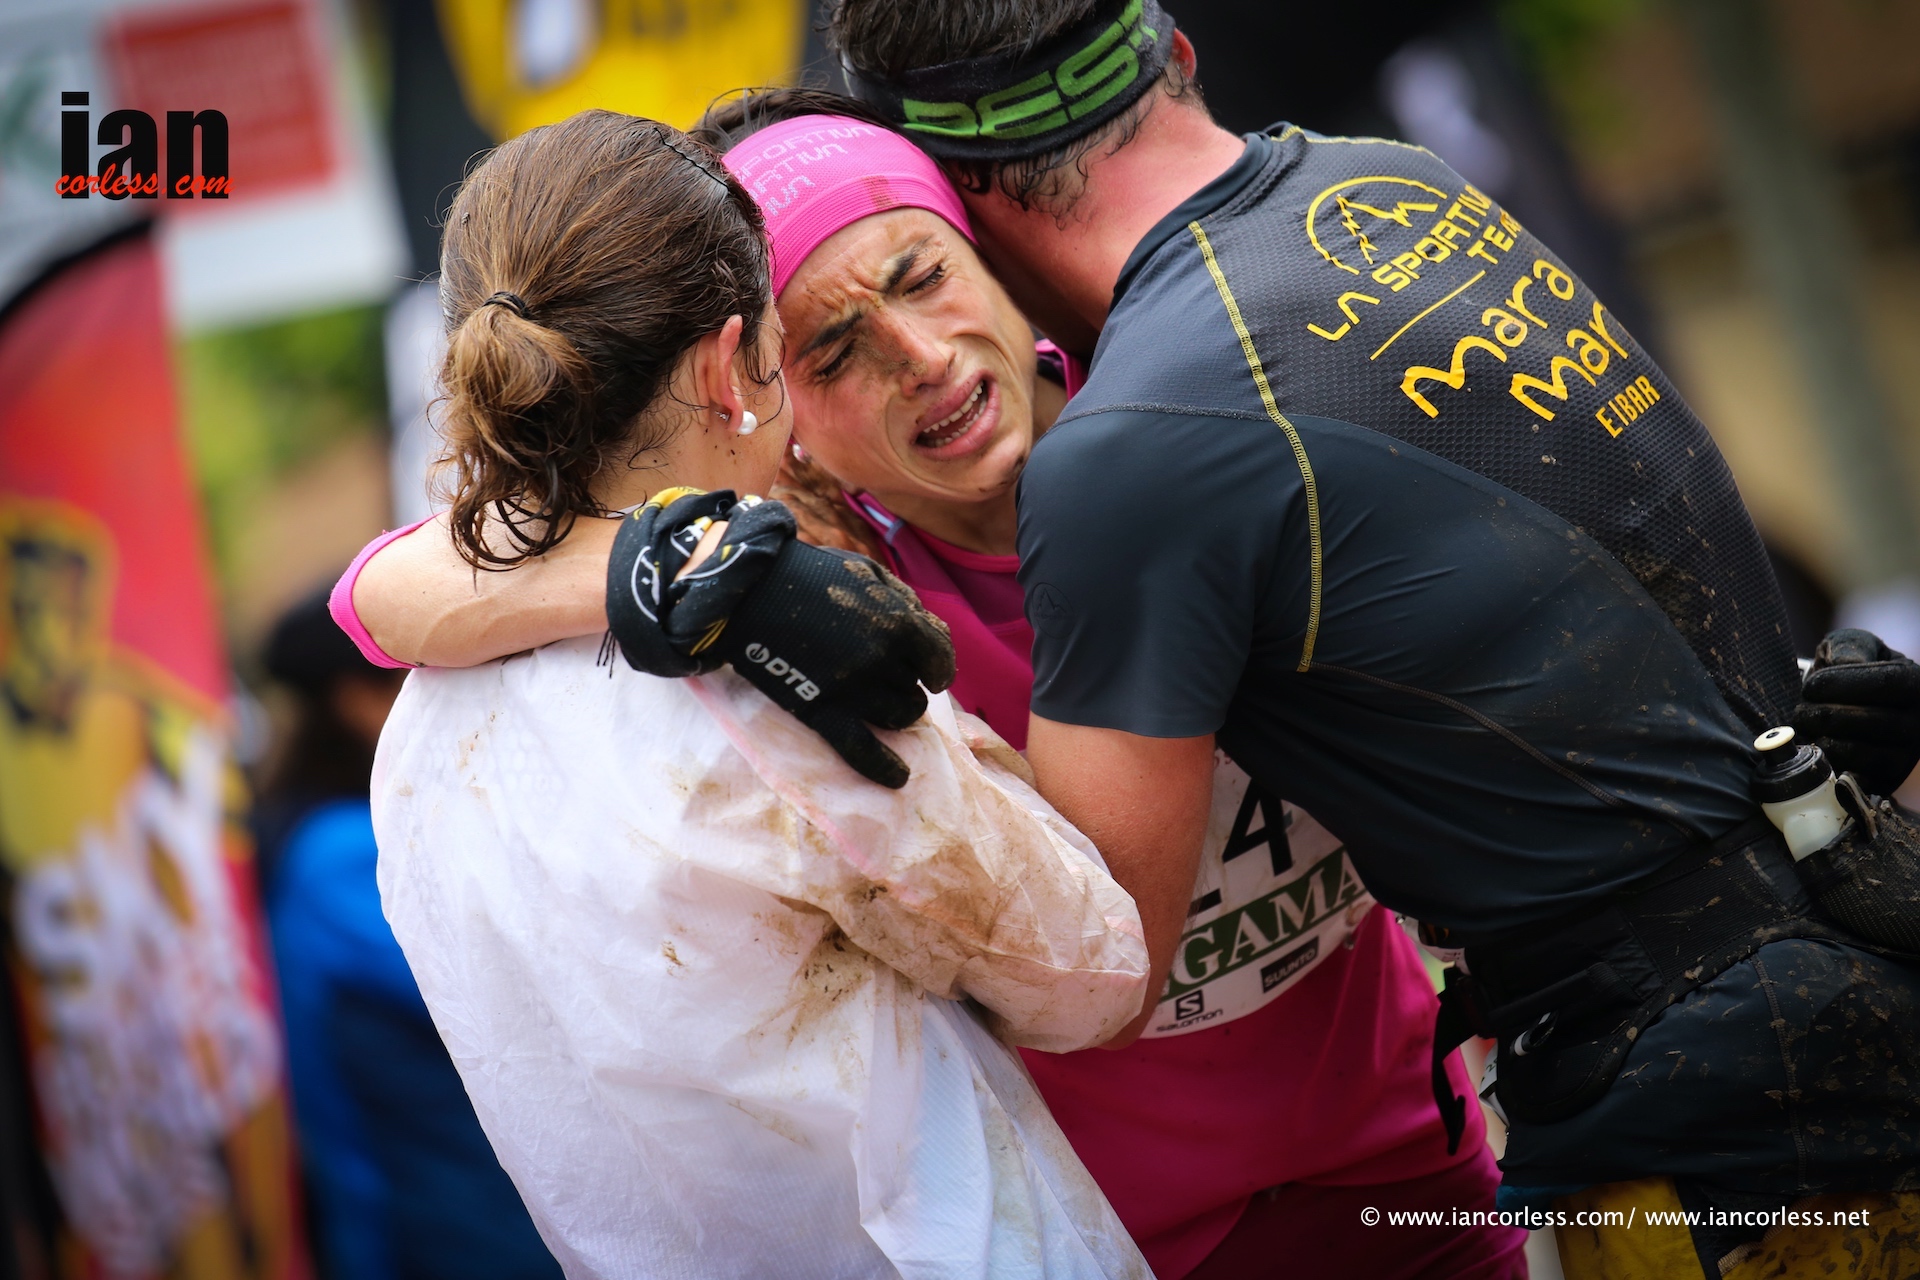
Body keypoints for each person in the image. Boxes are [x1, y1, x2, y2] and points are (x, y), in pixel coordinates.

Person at [335, 90, 1527, 1279]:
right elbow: (377, 591)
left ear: (992, 257)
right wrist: (655, 569)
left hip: (1412, 1173)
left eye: (921, 275)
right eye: (835, 350)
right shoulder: (828, 611)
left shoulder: (1205, 428)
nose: (921, 357)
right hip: (1154, 1241)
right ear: (762, 392)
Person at [360, 108, 1156, 1280]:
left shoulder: (415, 738)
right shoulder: (782, 666)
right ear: (731, 366)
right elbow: (1091, 972)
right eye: (801, 349)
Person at [257, 587, 561, 1280]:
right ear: (361, 701)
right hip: (447, 1221)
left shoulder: (357, 831)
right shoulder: (337, 856)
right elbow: (514, 987)